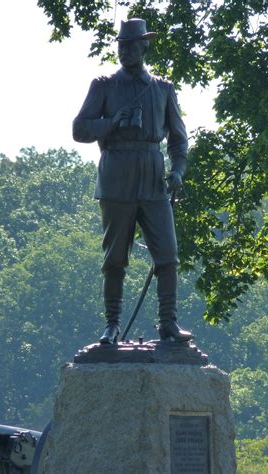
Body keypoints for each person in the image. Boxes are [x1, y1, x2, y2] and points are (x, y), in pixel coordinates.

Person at [73, 18, 193, 344]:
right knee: (115, 258)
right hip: (117, 175)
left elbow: (179, 140)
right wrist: (112, 122)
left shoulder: (163, 89)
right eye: (121, 45)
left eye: (131, 45)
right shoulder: (104, 86)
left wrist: (178, 171)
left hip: (154, 177)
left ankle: (168, 322)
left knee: (168, 254)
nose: (125, 51)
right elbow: (79, 129)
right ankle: (111, 324)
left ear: (144, 45)